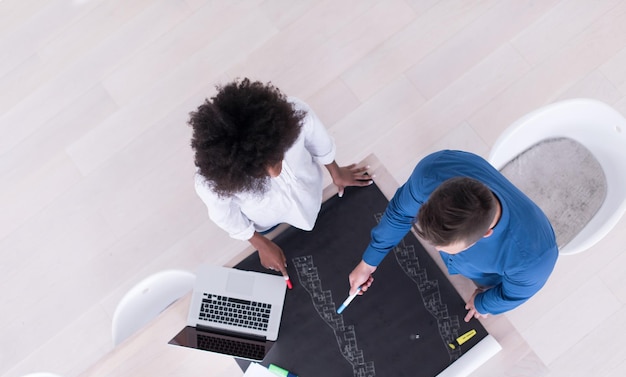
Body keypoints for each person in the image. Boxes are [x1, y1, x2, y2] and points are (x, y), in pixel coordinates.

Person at [189, 78, 373, 278]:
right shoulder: (212, 183)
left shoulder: (295, 114)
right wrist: (260, 243)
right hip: (267, 220)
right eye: (261, 171)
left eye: (277, 157)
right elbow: (226, 216)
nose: (275, 173)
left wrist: (336, 172)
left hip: (312, 190)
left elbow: (319, 141)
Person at [348, 150, 558, 321]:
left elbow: (515, 294)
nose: (437, 249)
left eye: (446, 246)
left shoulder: (533, 258)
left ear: (486, 234)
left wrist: (482, 303)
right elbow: (400, 212)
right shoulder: (432, 172)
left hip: (491, 276)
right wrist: (368, 263)